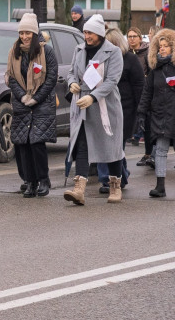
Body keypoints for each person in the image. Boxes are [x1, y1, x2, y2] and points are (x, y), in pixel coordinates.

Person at [63, 14, 126, 205]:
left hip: (106, 108)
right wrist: (72, 83)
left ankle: (115, 185)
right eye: (85, 32)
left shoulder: (113, 52)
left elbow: (112, 81)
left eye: (90, 32)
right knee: (82, 145)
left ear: (99, 33)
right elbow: (72, 72)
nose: (86, 36)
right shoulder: (79, 49)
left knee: (111, 147)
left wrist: (93, 97)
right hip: (83, 108)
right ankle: (79, 188)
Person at [6, 14, 58, 198]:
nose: (24, 36)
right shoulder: (15, 51)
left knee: (37, 144)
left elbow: (51, 78)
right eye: (21, 32)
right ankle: (30, 181)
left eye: (28, 32)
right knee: (23, 145)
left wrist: (35, 98)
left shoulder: (46, 51)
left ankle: (43, 179)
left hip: (41, 105)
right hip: (22, 105)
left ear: (34, 33)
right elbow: (11, 77)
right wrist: (22, 97)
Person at [95, 28, 142, 194]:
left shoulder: (130, 59)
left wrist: (140, 110)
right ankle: (109, 178)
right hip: (103, 108)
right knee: (104, 144)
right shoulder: (100, 59)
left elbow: (138, 86)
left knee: (117, 146)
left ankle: (117, 176)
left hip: (125, 109)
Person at [136, 28, 175, 198]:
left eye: (166, 46)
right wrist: (141, 113)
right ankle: (160, 186)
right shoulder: (155, 69)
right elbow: (147, 92)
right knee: (160, 150)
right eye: (160, 46)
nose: (163, 49)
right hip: (160, 114)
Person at [126, 27, 148, 148]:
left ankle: (139, 134)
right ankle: (132, 133)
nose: (132, 39)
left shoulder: (146, 52)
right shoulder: (126, 53)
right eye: (130, 37)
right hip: (128, 89)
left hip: (142, 87)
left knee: (141, 111)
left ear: (140, 38)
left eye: (134, 36)